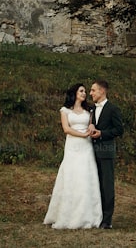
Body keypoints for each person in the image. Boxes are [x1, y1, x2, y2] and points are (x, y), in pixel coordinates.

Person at [43, 83, 103, 229]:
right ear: (75, 93)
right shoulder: (65, 110)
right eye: (81, 91)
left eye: (85, 91)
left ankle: (88, 215)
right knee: (71, 175)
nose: (85, 93)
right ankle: (66, 214)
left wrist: (91, 128)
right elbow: (66, 129)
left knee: (86, 176)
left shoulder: (89, 110)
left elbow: (91, 125)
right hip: (72, 145)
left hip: (86, 146)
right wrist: (82, 134)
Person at [89, 79, 124, 230]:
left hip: (106, 152)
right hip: (91, 153)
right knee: (95, 185)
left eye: (93, 90)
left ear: (102, 91)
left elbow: (119, 130)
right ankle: (96, 215)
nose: (91, 93)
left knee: (107, 186)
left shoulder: (113, 109)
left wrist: (101, 133)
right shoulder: (91, 109)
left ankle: (107, 220)